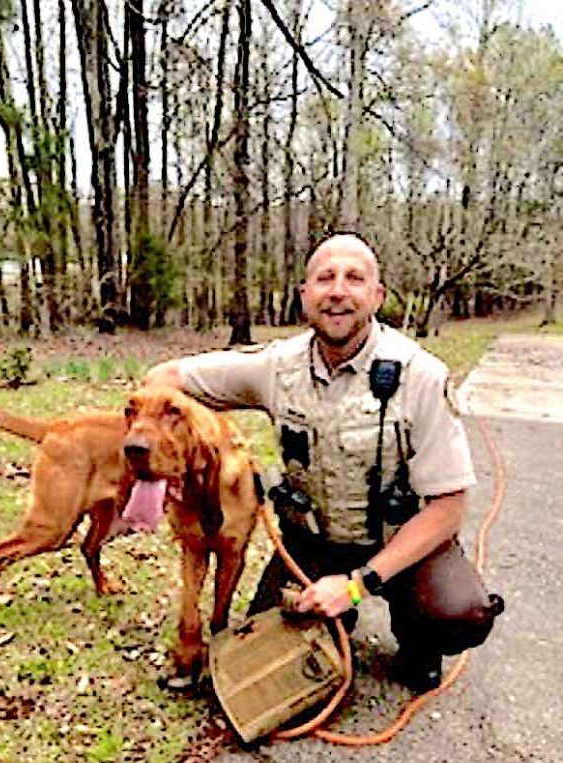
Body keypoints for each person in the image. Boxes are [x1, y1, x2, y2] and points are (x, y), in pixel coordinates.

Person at [145, 232, 502, 693]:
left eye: (354, 278)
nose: (337, 290)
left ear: (377, 296)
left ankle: (417, 640)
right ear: (304, 296)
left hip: (402, 543)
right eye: (324, 278)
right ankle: (332, 618)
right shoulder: (275, 366)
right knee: (262, 667)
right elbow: (164, 378)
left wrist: (356, 585)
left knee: (460, 614)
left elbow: (449, 508)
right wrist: (195, 441)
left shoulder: (421, 375)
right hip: (312, 544)